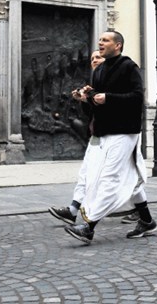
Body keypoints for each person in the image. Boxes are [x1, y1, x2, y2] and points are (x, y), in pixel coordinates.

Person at [63, 31, 156, 244]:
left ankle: (88, 227)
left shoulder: (128, 67)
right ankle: (147, 220)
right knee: (126, 178)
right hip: (104, 132)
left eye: (105, 40)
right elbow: (97, 105)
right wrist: (85, 99)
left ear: (118, 45)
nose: (100, 43)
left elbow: (137, 97)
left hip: (125, 131)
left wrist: (109, 98)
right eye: (100, 40)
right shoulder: (100, 70)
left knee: (109, 177)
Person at [48, 50, 106, 224]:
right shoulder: (96, 81)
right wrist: (84, 100)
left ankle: (141, 212)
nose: (95, 60)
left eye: (98, 57)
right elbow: (93, 113)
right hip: (99, 135)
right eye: (92, 58)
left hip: (117, 137)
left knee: (127, 178)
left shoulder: (111, 80)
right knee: (87, 173)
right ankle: (73, 210)